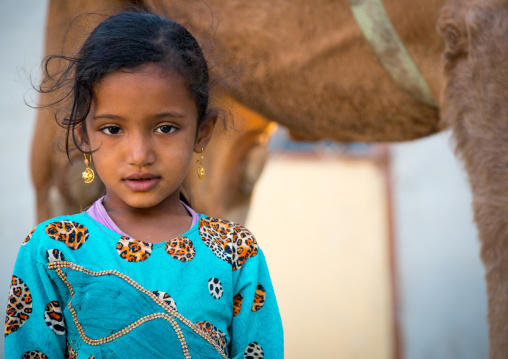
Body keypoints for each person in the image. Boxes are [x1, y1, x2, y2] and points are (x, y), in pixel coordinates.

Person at [4, 10, 283, 359]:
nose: (139, 155)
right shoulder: (51, 251)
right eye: (113, 129)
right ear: (84, 136)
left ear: (202, 132)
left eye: (165, 127)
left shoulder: (236, 253)